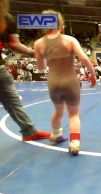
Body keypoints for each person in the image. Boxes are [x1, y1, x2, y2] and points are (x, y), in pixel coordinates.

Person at [34, 10, 96, 156]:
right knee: (73, 115)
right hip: (70, 82)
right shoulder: (70, 40)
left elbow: (40, 67)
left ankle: (56, 134)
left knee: (58, 111)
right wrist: (92, 75)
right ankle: (74, 144)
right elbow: (84, 59)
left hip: (53, 82)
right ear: (61, 25)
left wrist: (45, 55)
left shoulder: (38, 43)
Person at [0, 0, 51, 141]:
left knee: (12, 100)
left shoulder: (7, 19)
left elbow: (13, 44)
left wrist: (33, 53)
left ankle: (29, 131)